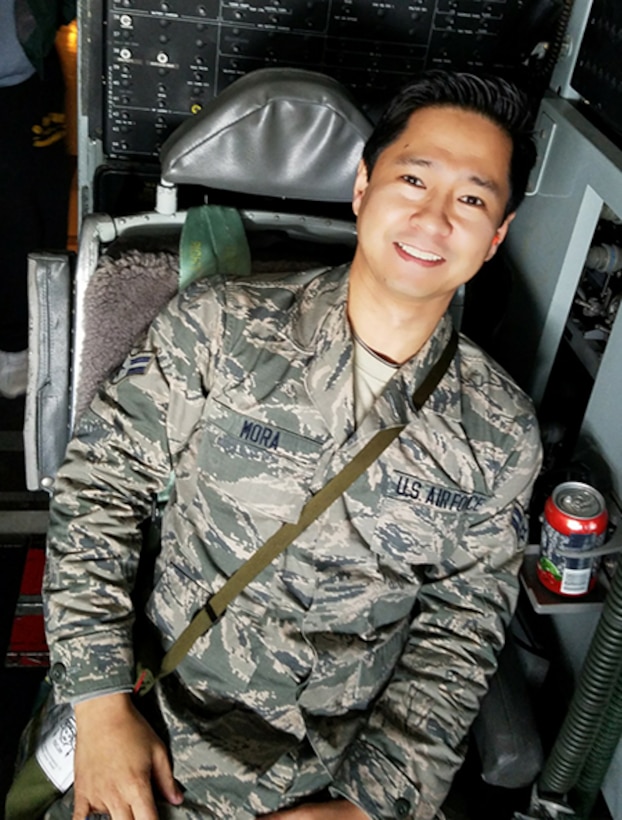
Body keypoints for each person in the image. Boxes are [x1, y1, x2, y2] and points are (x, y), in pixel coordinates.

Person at [41, 69, 542, 820]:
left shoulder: (500, 432)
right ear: (363, 189)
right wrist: (100, 706)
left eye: (472, 199)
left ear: (496, 237)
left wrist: (369, 805)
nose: (435, 220)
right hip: (154, 733)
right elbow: (98, 491)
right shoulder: (218, 327)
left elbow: (459, 632)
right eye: (414, 180)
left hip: (333, 781)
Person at [0, 0, 76, 398]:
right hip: (14, 84)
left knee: (44, 208)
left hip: (33, 76)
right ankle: (15, 348)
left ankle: (34, 338)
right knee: (14, 218)